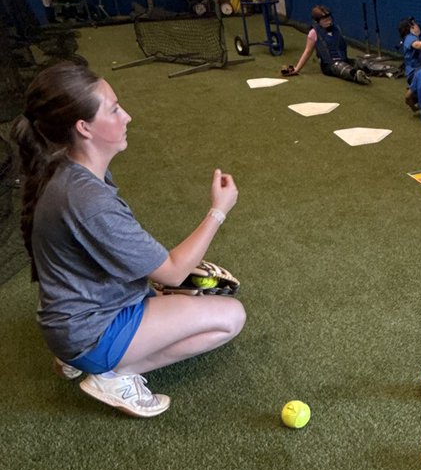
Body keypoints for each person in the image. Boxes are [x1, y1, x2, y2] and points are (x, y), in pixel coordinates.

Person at [12, 62, 246, 417]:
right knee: (230, 317)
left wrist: (164, 287)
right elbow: (171, 271)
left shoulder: (67, 169)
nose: (127, 117)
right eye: (114, 109)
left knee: (193, 292)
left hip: (79, 314)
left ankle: (84, 358)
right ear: (83, 127)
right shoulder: (87, 199)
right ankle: (113, 375)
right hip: (89, 330)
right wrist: (218, 210)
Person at [280, 6, 371, 84]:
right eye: (325, 20)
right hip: (329, 65)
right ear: (318, 21)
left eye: (329, 19)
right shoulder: (313, 33)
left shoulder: (336, 29)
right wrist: (297, 69)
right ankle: (355, 75)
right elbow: (307, 52)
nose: (329, 22)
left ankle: (377, 70)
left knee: (361, 63)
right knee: (340, 66)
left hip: (343, 60)